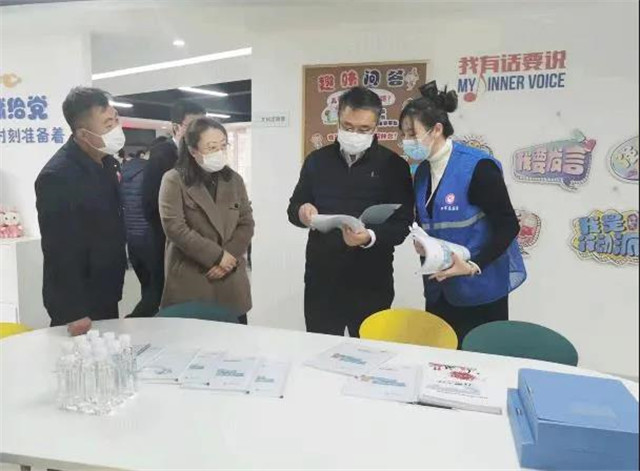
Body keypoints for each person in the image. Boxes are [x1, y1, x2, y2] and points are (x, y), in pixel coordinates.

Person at [400, 81, 527, 342]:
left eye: (412, 134)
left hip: (480, 290)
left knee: (477, 358)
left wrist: (473, 265)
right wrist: (423, 244)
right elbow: (428, 222)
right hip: (439, 288)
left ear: (437, 129)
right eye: (403, 135)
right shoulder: (422, 172)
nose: (406, 142)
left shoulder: (478, 168)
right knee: (441, 357)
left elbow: (508, 226)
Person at [287, 86, 414, 337]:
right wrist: (302, 212)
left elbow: (403, 224)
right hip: (322, 279)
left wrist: (369, 236)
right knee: (320, 349)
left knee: (369, 352)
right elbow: (294, 208)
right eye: (348, 126)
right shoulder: (317, 161)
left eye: (364, 129)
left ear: (376, 126)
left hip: (371, 280)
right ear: (338, 119)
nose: (355, 134)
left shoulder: (394, 166)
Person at [35, 87, 127, 335]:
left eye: (115, 119)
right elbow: (59, 249)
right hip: (79, 302)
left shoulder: (107, 162)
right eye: (107, 124)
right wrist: (73, 310)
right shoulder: (58, 177)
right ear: (83, 134)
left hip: (105, 287)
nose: (116, 128)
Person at [158, 117, 254, 323]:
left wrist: (228, 258)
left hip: (230, 276)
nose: (219, 152)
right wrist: (217, 256)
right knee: (195, 337)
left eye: (223, 146)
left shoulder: (234, 180)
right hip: (194, 276)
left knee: (236, 337)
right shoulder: (174, 180)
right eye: (211, 147)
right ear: (193, 151)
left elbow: (246, 223)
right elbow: (175, 228)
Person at [142, 100, 205, 315]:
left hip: (195, 247)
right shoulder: (163, 157)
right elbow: (150, 206)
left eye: (203, 125)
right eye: (193, 125)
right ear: (177, 127)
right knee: (164, 302)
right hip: (167, 244)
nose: (199, 131)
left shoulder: (200, 156)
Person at [120, 147, 154, 317]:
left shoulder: (122, 173)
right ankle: (138, 318)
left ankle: (144, 322)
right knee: (155, 288)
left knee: (145, 284)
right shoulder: (149, 174)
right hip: (149, 237)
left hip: (132, 237)